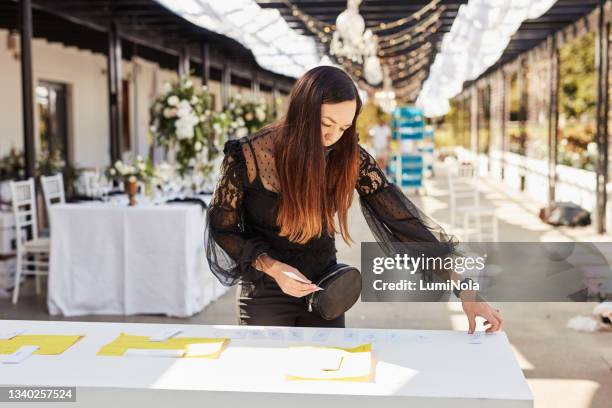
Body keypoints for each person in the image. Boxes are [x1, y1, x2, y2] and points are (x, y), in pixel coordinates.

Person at [205, 66, 502, 332]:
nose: (334, 136)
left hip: (327, 289)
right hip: (264, 293)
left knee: (328, 379)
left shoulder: (348, 156)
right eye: (326, 123)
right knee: (272, 385)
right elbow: (223, 228)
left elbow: (402, 222)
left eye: (344, 127)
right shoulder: (248, 157)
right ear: (301, 112)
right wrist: (271, 267)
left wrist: (465, 288)